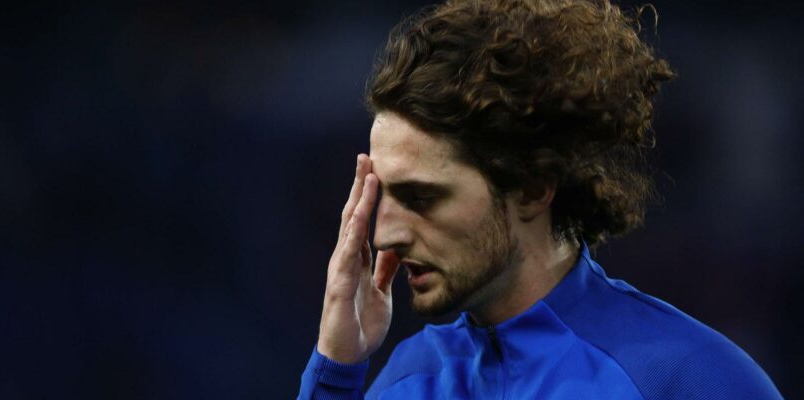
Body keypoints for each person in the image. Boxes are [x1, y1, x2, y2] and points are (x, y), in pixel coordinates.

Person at [298, 0, 782, 398]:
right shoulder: (408, 382)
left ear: (531, 188)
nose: (384, 235)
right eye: (382, 195)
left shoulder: (691, 379)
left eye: (421, 197)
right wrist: (335, 370)